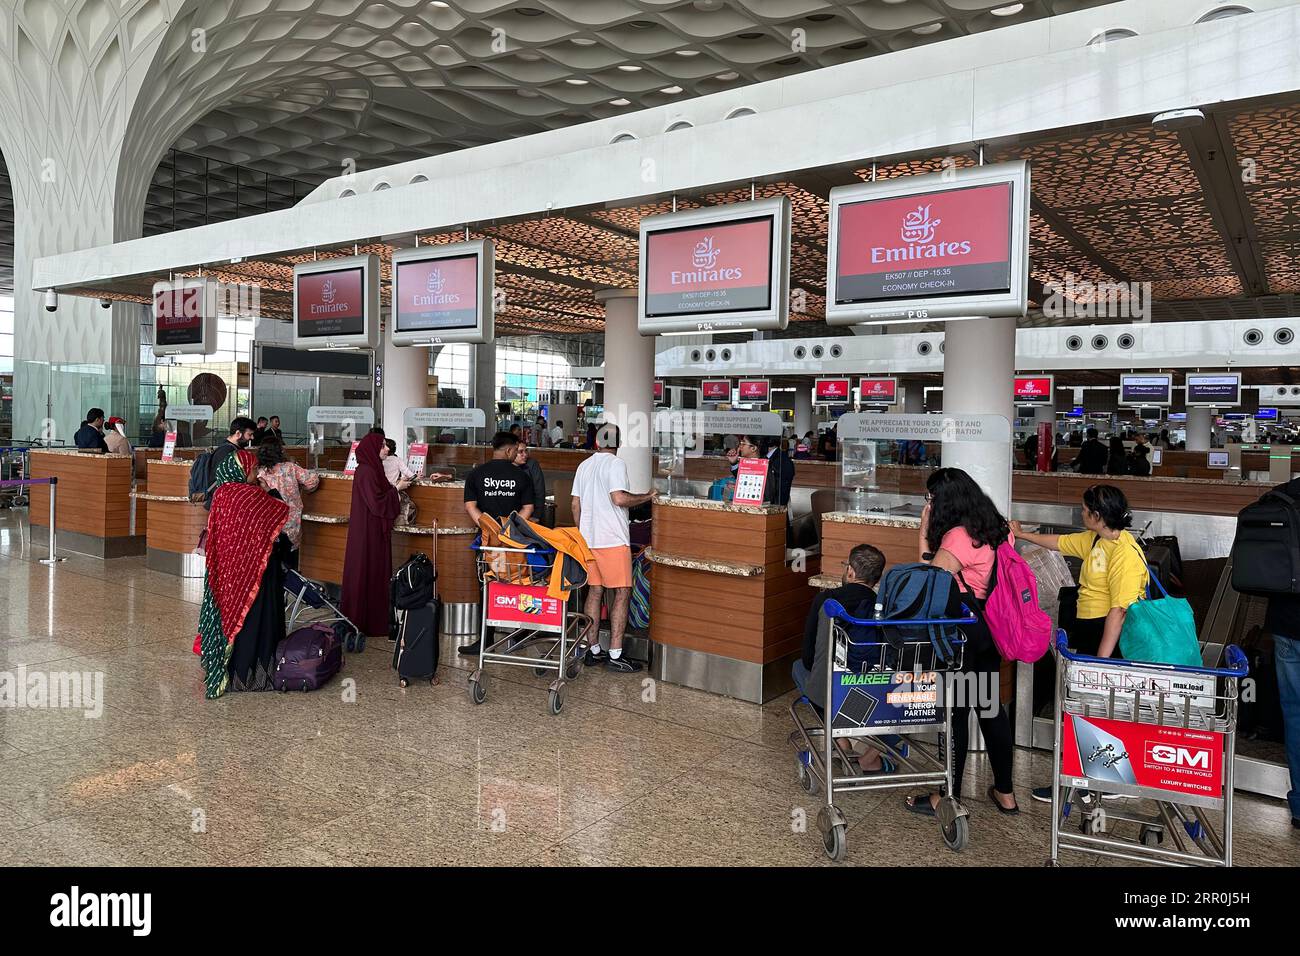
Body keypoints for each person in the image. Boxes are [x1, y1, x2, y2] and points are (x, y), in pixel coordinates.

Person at [1011, 484, 1149, 803]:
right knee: (1086, 709)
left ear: (1098, 516)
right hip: (1089, 631)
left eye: (1085, 510)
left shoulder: (1125, 553)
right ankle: (1088, 779)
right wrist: (1023, 534)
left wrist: (1100, 661)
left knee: (1097, 708)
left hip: (1106, 636)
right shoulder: (1099, 539)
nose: (1081, 514)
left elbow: (1120, 611)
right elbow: (1061, 542)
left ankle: (1105, 781)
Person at [905, 468, 1019, 817]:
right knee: (989, 709)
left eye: (930, 498)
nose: (929, 503)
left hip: (962, 635)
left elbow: (930, 582)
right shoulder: (999, 528)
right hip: (990, 630)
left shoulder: (957, 536)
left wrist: (923, 533)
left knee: (955, 714)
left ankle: (947, 797)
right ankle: (1006, 794)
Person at [196, 449, 291, 697]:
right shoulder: (250, 496)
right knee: (254, 621)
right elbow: (280, 510)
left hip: (227, 572)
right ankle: (253, 673)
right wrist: (268, 490)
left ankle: (228, 668)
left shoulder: (222, 494)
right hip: (256, 574)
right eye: (252, 470)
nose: (255, 473)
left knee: (230, 618)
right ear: (241, 471)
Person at [793, 544, 895, 773]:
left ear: (850, 571)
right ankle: (871, 758)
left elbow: (808, 658)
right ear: (876, 579)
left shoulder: (827, 601)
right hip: (875, 693)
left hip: (832, 691)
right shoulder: (886, 608)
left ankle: (841, 743)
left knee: (799, 668)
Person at [571, 424, 656, 672]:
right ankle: (616, 654)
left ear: (597, 442)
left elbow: (575, 505)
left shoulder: (584, 465)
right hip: (612, 540)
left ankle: (593, 649)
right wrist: (647, 496)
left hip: (589, 540)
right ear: (618, 443)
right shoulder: (616, 464)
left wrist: (584, 534)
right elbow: (619, 498)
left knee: (595, 592)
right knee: (621, 592)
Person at [458, 432, 536, 656]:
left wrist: (488, 527)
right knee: (519, 581)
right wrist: (509, 529)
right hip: (513, 542)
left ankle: (485, 639)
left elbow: (470, 506)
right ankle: (520, 633)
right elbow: (528, 508)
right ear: (510, 450)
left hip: (486, 542)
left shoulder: (476, 474)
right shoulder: (521, 476)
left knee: (486, 586)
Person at [341, 433, 400, 639]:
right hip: (368, 531)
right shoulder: (366, 471)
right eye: (383, 446)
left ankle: (371, 619)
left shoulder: (372, 469)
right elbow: (377, 504)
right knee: (369, 569)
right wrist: (397, 490)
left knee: (371, 571)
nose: (386, 449)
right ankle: (366, 620)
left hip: (370, 529)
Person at [256, 437, 320, 567]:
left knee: (269, 564)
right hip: (290, 523)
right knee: (290, 564)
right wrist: (303, 488)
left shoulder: (258, 472)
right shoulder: (290, 468)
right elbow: (313, 480)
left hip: (267, 526)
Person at [727, 433, 795, 506]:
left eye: (743, 443)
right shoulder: (758, 460)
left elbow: (778, 496)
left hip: (769, 511)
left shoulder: (782, 462)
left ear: (754, 448)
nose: (740, 447)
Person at [513, 441, 547, 520]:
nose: (525, 455)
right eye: (520, 452)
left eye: (526, 451)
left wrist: (536, 515)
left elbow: (539, 491)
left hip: (531, 513)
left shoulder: (532, 464)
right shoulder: (505, 466)